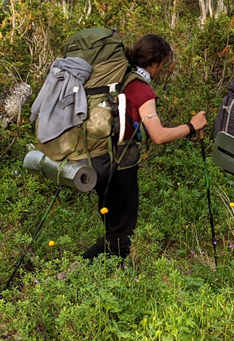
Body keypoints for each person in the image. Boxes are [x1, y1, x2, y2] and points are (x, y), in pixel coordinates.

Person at [84, 34, 208, 260]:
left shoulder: (118, 78)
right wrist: (191, 126)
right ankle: (75, 276)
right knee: (120, 236)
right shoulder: (140, 89)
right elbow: (158, 135)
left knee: (113, 228)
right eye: (162, 65)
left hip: (98, 158)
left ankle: (101, 276)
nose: (161, 70)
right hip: (120, 165)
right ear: (153, 64)